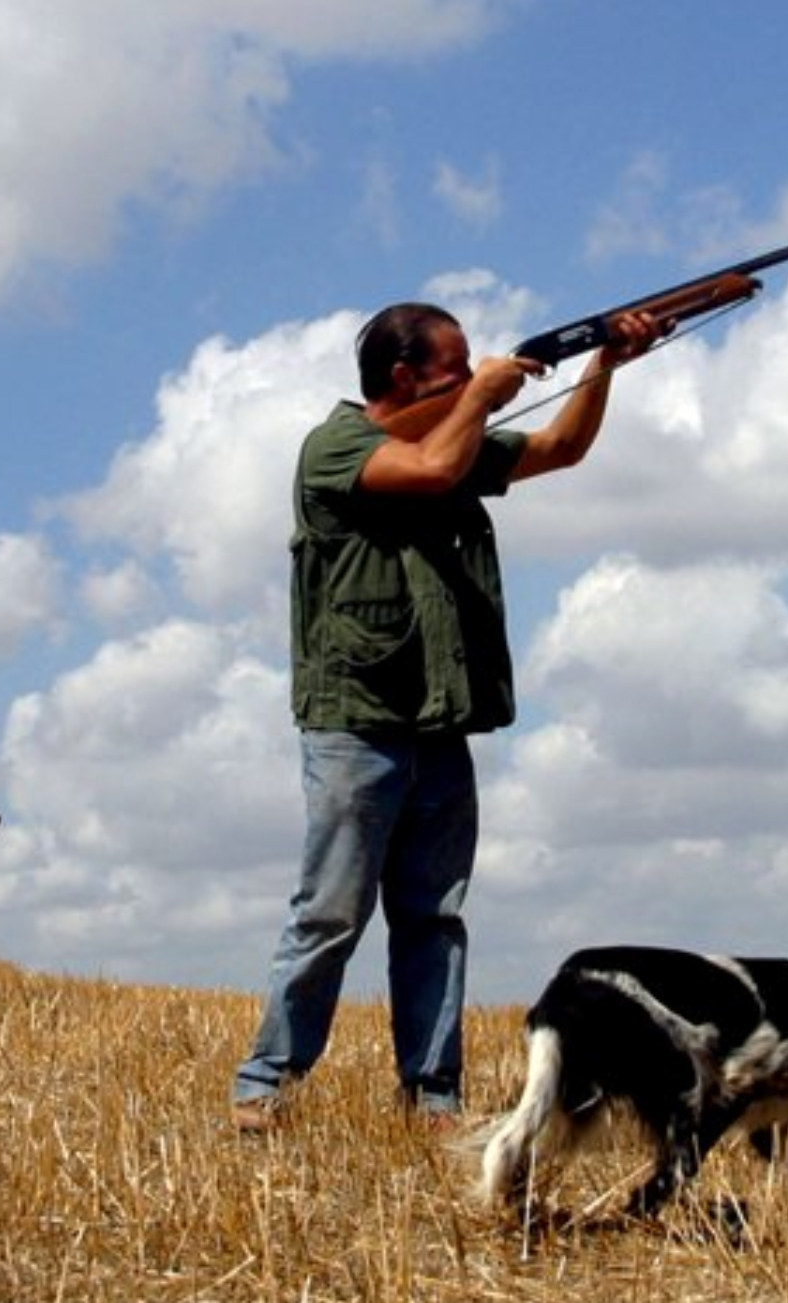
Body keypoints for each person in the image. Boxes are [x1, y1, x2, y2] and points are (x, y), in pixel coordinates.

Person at [229, 301, 666, 1130]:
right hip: (355, 719)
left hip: (438, 718)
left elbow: (562, 449)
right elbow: (428, 470)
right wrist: (484, 397)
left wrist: (603, 364)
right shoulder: (336, 447)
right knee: (331, 912)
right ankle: (266, 1082)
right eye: (456, 368)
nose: (472, 379)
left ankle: (432, 1096)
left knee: (434, 918)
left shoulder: (454, 435)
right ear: (404, 376)